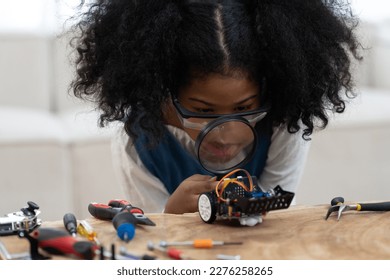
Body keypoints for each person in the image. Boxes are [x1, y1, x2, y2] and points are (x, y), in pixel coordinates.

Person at [70, 0, 361, 214]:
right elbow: (155, 239)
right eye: (204, 111)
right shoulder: (137, 141)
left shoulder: (286, 122)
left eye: (245, 107)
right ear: (161, 93)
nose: (224, 136)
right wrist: (171, 213)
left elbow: (279, 212)